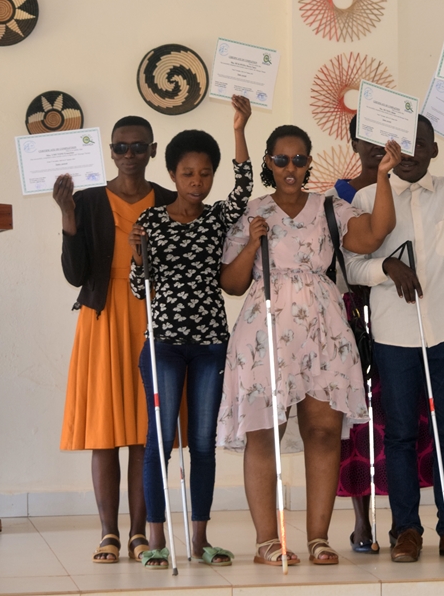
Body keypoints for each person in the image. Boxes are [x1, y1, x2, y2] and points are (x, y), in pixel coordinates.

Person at [216, 123, 400, 567]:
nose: (291, 168)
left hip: (323, 330)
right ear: (268, 163)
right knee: (265, 434)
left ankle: (318, 536)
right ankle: (267, 540)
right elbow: (232, 282)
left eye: (299, 159)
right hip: (264, 333)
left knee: (321, 431)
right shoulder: (253, 210)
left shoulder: (329, 207)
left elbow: (375, 234)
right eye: (281, 160)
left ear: (310, 163)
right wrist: (252, 243)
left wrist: (383, 177)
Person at [345, 79, 444, 563]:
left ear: (434, 150)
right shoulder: (368, 200)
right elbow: (352, 266)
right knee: (398, 436)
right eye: (402, 143)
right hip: (394, 337)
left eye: (420, 143)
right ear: (389, 148)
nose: (411, 153)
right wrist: (387, 267)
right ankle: (405, 531)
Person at [128, 95, 254, 568]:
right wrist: (139, 258)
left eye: (204, 174)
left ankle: (199, 540)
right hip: (161, 345)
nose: (196, 182)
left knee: (202, 442)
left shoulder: (219, 218)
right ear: (173, 175)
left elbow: (244, 186)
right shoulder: (151, 222)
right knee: (160, 441)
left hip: (209, 345)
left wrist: (239, 128)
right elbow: (140, 290)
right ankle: (158, 539)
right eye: (187, 174)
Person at [56, 115, 175, 564]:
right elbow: (75, 275)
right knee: (105, 432)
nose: (129, 156)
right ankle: (108, 533)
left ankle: (139, 534)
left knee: (146, 432)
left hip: (151, 318)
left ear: (152, 150)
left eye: (138, 147)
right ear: (110, 151)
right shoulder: (85, 200)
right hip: (103, 320)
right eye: (121, 148)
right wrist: (68, 217)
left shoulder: (168, 200)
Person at [333, 116, 435, 554]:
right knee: (358, 421)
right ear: (354, 142)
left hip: (398, 317)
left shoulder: (405, 187)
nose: (379, 145)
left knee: (401, 421)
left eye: (387, 135)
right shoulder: (339, 195)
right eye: (367, 138)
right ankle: (362, 521)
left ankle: (405, 521)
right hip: (353, 312)